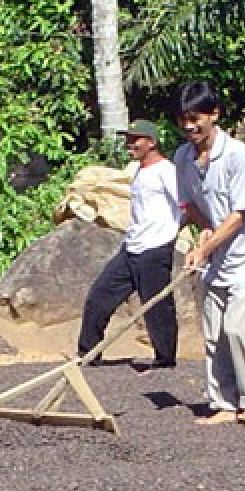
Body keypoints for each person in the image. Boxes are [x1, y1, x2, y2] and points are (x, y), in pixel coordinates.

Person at [176, 83, 245, 426]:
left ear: (214, 115)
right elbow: (191, 206)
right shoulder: (182, 157)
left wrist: (206, 246)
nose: (190, 126)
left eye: (196, 118)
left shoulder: (238, 156)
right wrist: (200, 238)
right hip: (214, 261)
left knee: (240, 331)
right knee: (215, 335)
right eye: (184, 120)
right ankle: (223, 403)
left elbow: (240, 214)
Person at [77, 119, 181, 371]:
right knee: (99, 296)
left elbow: (186, 204)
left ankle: (165, 360)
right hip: (132, 246)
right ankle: (88, 354)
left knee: (157, 306)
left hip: (156, 248)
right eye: (128, 139)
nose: (130, 144)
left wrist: (172, 234)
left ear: (152, 143)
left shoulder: (167, 171)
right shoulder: (135, 170)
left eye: (136, 140)